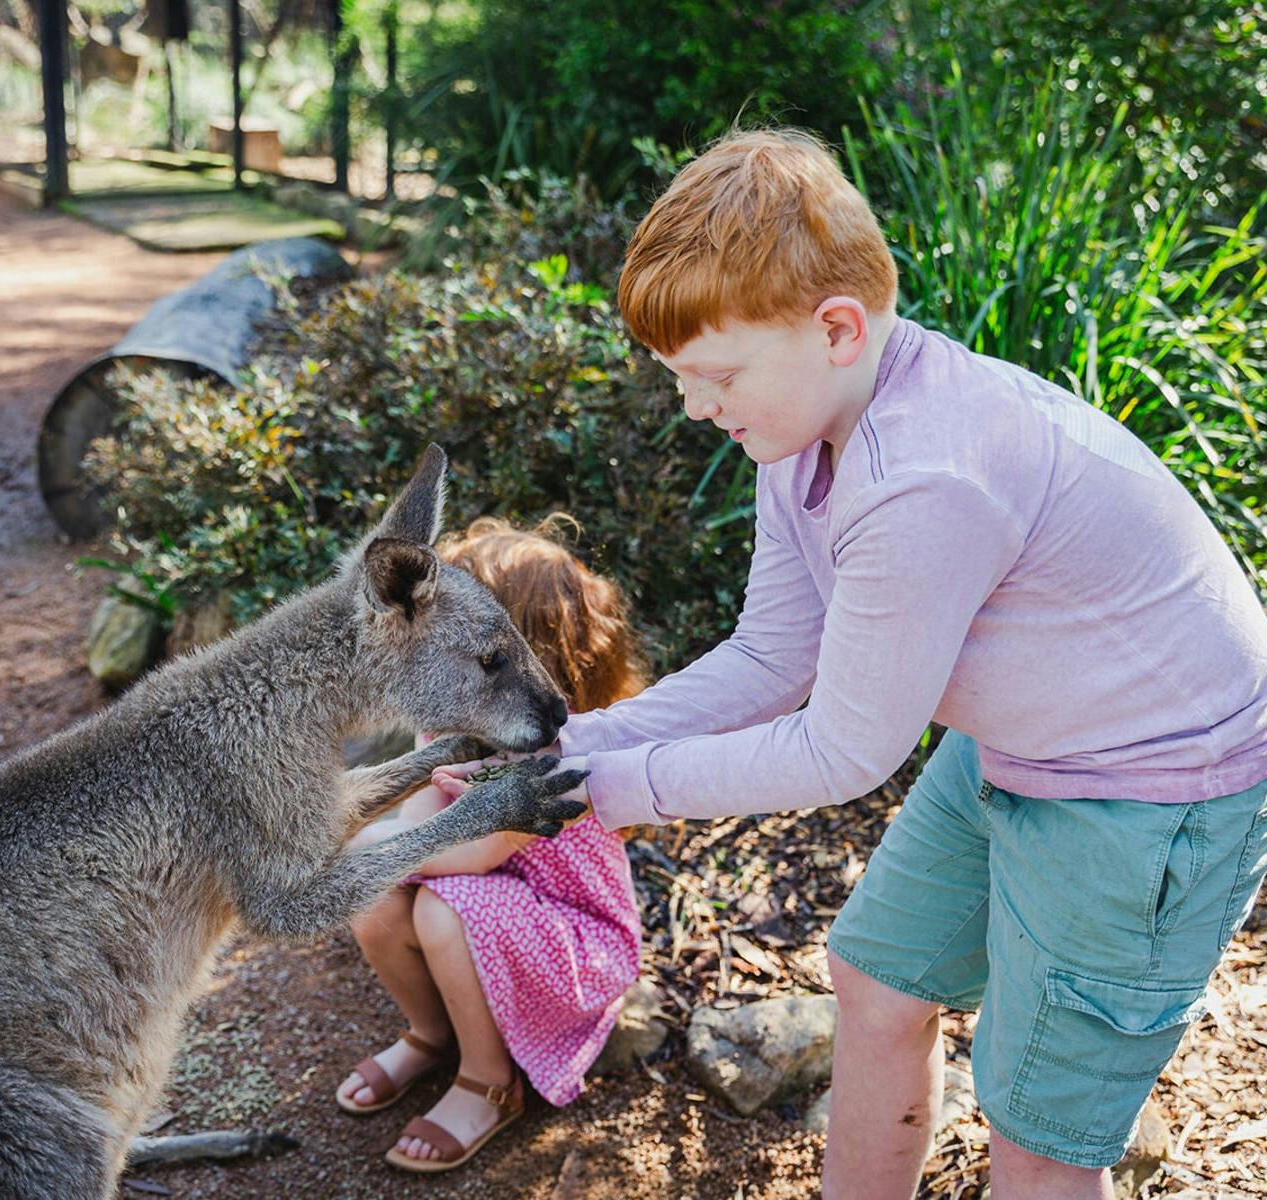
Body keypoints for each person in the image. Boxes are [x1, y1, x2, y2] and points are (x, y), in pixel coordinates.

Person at [434, 130, 1267, 1199]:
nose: (695, 405)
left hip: (1152, 797)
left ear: (835, 328)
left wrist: (587, 793)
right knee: (874, 980)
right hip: (1027, 743)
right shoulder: (803, 433)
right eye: (681, 379)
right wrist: (572, 748)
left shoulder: (922, 480)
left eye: (715, 375)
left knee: (1039, 1139)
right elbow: (772, 654)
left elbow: (843, 750)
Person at [337, 516, 645, 1173]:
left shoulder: (557, 760)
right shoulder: (455, 726)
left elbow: (473, 852)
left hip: (576, 939)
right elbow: (422, 825)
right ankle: (431, 1033)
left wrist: (365, 847)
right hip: (492, 907)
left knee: (441, 910)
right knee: (377, 900)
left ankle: (487, 1080)